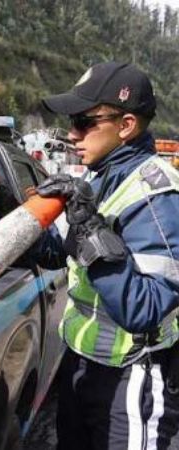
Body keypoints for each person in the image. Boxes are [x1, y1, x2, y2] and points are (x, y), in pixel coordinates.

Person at [29, 62, 179, 449]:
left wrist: (88, 226)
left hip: (131, 376)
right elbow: (57, 252)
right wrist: (8, 212)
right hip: (81, 365)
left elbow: (146, 307)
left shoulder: (156, 196)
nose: (71, 134)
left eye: (84, 122)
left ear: (126, 125)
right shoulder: (97, 178)